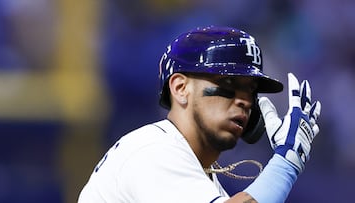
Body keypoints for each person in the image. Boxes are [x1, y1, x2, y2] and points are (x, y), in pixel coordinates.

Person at [78, 26, 321, 203]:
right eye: (228, 82)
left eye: (251, 90)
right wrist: (285, 163)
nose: (245, 101)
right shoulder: (152, 151)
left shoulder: (198, 174)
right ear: (180, 88)